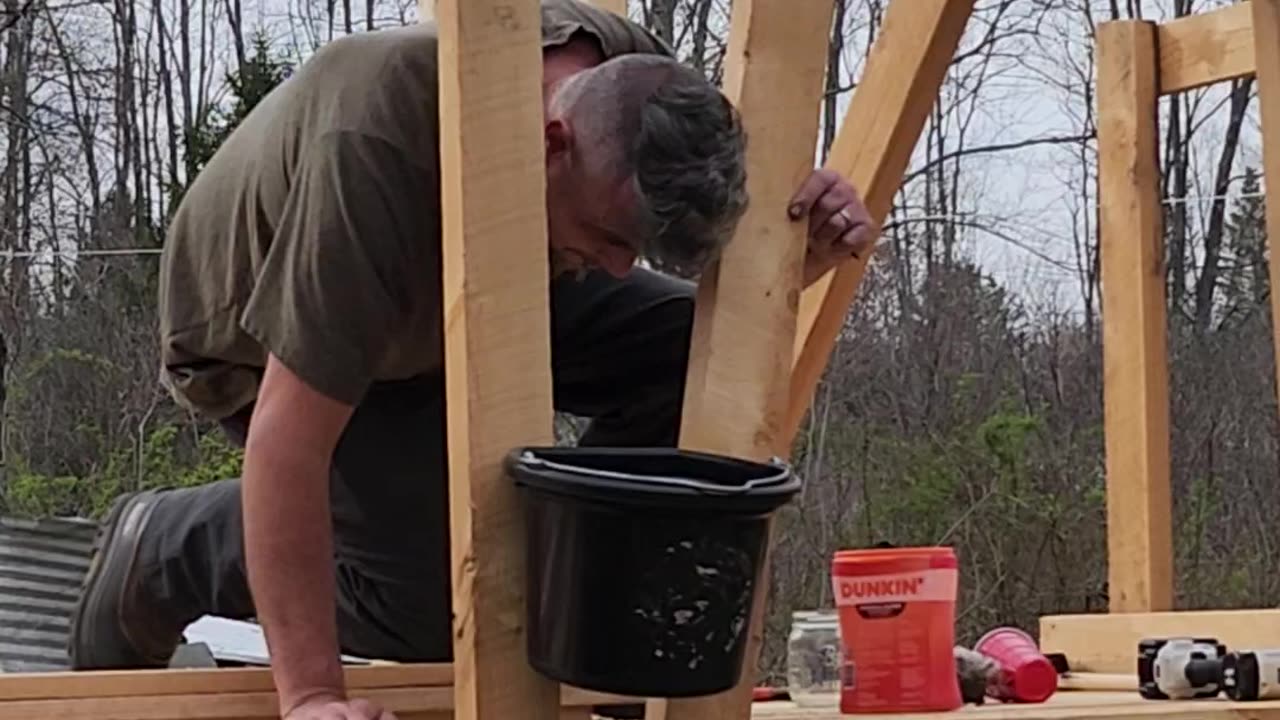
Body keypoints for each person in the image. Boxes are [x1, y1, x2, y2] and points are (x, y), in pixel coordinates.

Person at [65, 1, 875, 719]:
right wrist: (310, 694)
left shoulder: (633, 82)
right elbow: (290, 439)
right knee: (444, 607)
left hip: (499, 272)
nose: (625, 267)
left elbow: (692, 268)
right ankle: (173, 541)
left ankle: (583, 597)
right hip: (273, 333)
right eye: (613, 240)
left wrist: (794, 248)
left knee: (685, 351)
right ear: (550, 143)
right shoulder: (375, 149)